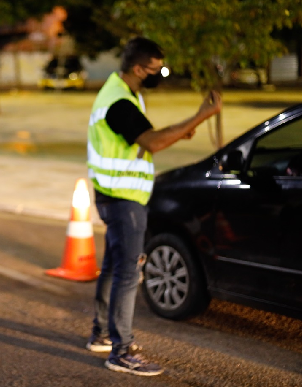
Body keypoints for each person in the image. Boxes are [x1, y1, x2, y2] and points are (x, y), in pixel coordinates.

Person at [85, 36, 222, 376]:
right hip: (122, 200)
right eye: (155, 68)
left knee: (115, 267)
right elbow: (154, 142)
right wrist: (202, 116)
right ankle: (121, 351)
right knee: (129, 272)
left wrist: (182, 129)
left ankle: (101, 334)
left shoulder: (125, 92)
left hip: (115, 194)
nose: (160, 72)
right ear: (137, 68)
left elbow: (145, 138)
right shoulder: (118, 103)